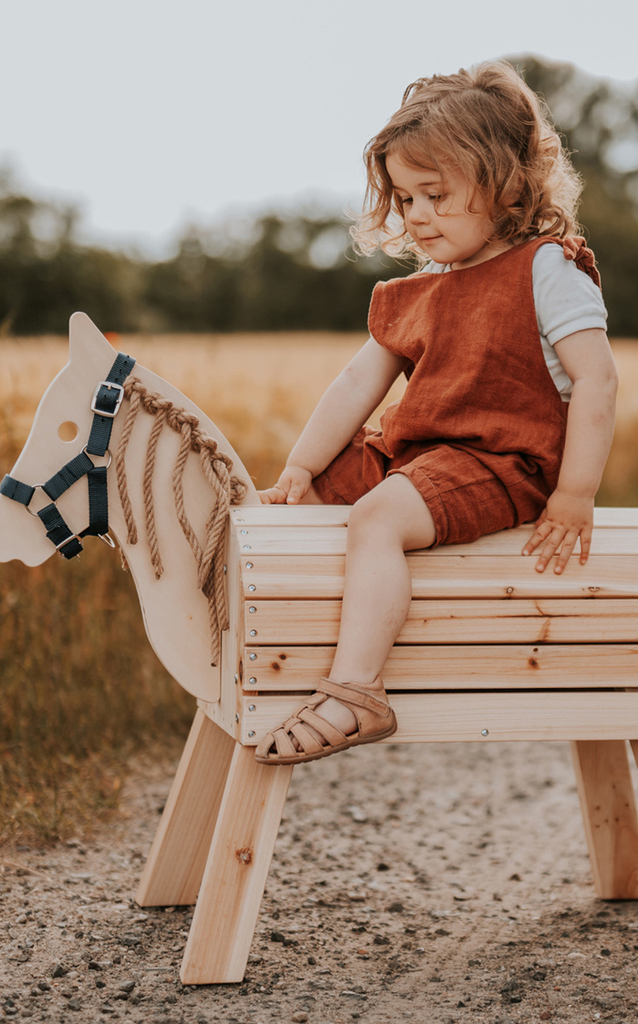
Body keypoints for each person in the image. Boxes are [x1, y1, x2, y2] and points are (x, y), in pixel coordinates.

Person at [253, 60, 618, 766]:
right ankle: (271, 665)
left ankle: (357, 691)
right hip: (419, 459)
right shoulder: (419, 288)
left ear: (506, 184)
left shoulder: (547, 267)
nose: (416, 216)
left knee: (378, 517)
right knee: (300, 505)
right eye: (404, 198)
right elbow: (356, 384)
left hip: (501, 463)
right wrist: (302, 467)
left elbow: (596, 382)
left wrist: (575, 494)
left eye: (435, 195)